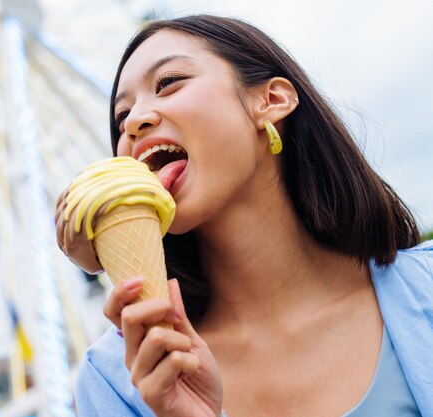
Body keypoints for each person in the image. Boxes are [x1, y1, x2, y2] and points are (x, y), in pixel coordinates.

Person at [55, 14, 433, 417]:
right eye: (120, 117)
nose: (132, 122)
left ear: (271, 101)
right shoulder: (113, 381)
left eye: (168, 83)